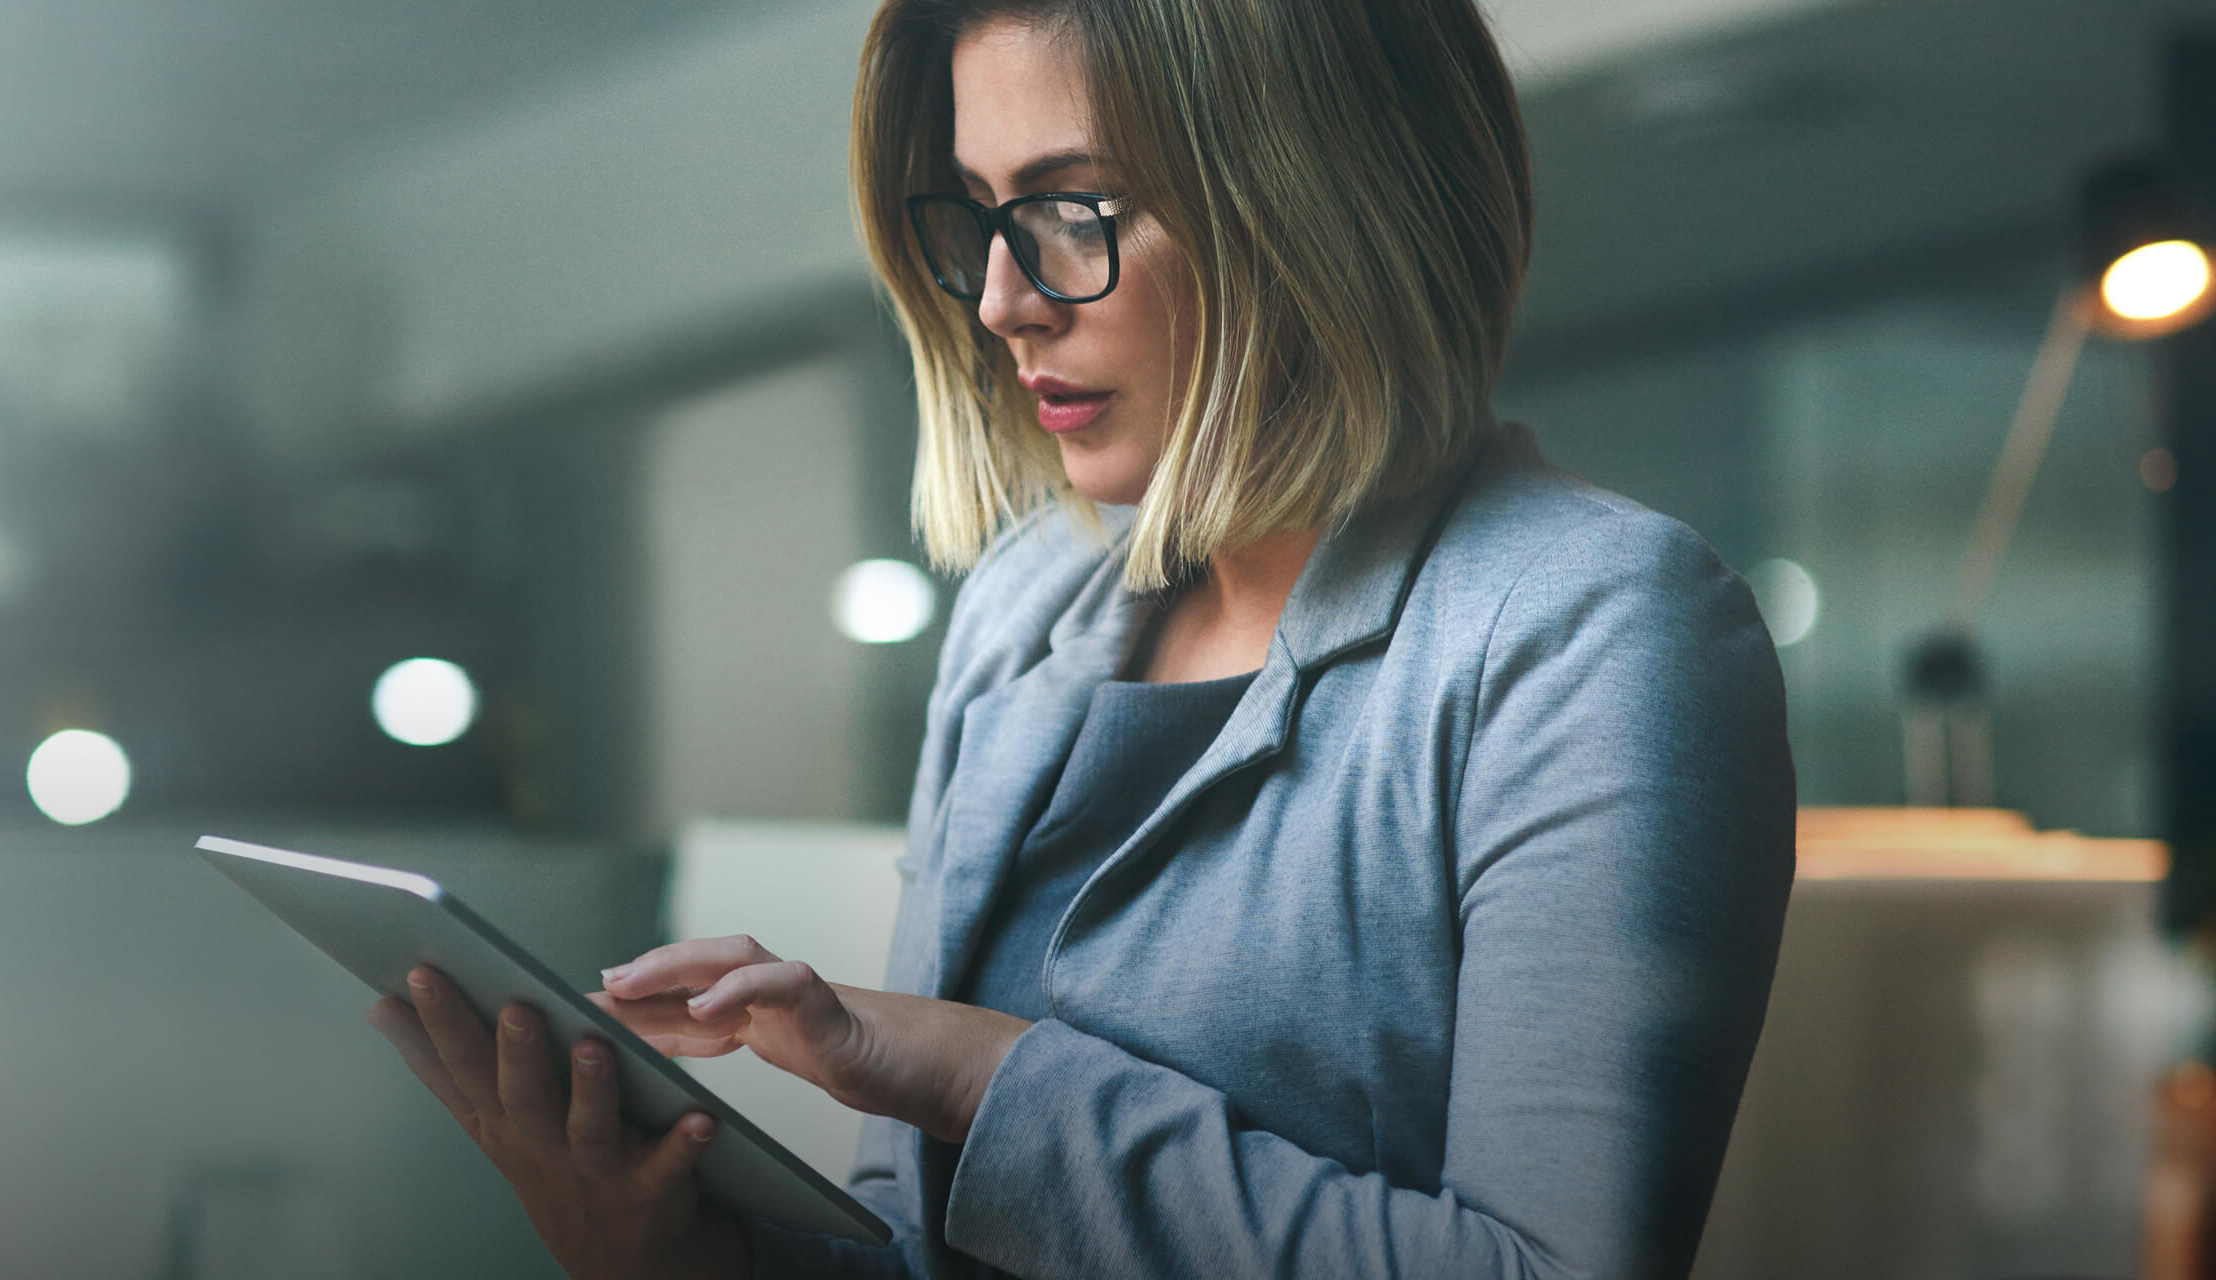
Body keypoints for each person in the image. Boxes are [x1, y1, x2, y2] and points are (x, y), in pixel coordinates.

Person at [365, 0, 1795, 1275]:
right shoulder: (1021, 609)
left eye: (1076, 210)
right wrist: (667, 1252)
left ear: (1314, 208)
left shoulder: (1590, 627)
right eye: (984, 215)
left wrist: (982, 1081)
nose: (999, 299)